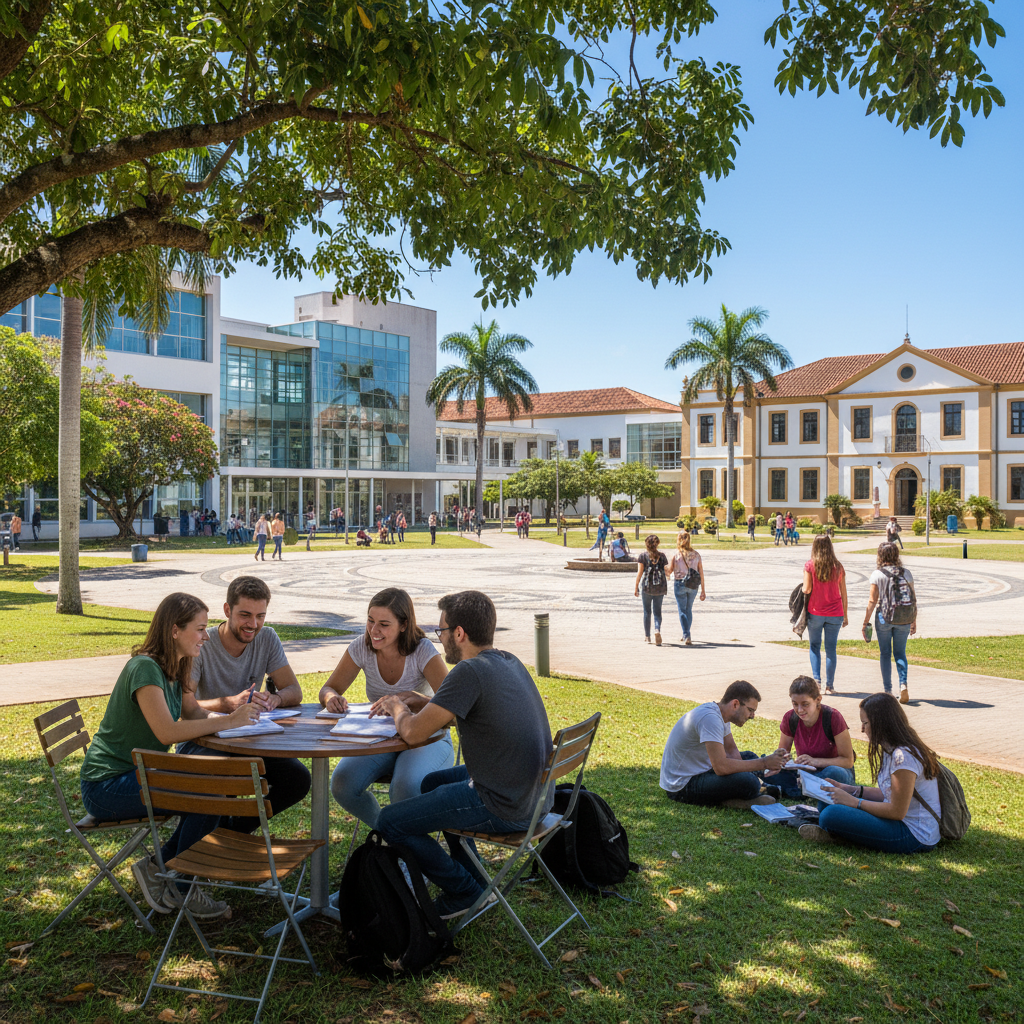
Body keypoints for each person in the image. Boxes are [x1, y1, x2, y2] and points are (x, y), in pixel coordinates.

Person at [79, 592, 260, 921]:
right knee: (213, 795)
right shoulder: (145, 669)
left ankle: (161, 869)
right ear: (174, 630)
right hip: (106, 787)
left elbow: (191, 712)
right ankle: (179, 882)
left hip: (141, 776)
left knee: (219, 785)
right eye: (200, 629)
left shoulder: (177, 665)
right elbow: (166, 731)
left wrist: (235, 723)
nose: (207, 636)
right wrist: (230, 721)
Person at [377, 591, 553, 918]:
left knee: (390, 822)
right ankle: (472, 872)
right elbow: (481, 710)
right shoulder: (507, 660)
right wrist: (425, 700)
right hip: (538, 796)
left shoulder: (468, 672)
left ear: (459, 633)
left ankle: (464, 891)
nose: (440, 639)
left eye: (441, 632)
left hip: (507, 805)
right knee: (431, 783)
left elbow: (414, 733)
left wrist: (398, 707)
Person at [177, 575, 310, 835]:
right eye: (245, 615)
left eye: (261, 616)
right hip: (204, 740)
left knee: (298, 779)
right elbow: (186, 707)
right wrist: (228, 704)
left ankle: (232, 831)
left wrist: (276, 698)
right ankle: (188, 852)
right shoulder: (203, 642)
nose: (254, 624)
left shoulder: (267, 638)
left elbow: (294, 690)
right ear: (227, 610)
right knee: (226, 776)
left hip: (248, 741)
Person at [320, 588, 453, 827]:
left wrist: (416, 698)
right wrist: (331, 697)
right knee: (342, 783)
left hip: (427, 738)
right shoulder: (362, 646)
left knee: (406, 787)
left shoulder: (422, 650)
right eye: (370, 621)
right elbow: (328, 688)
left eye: (383, 624)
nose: (374, 630)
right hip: (382, 738)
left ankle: (406, 853)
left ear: (403, 625)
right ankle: (388, 834)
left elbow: (453, 704)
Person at [800, 693, 941, 853]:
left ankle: (838, 834)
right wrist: (848, 789)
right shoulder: (892, 750)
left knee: (830, 814)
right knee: (828, 800)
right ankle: (840, 832)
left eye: (865, 723)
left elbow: (897, 812)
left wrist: (854, 802)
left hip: (912, 835)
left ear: (881, 724)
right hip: (898, 821)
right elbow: (888, 794)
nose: (862, 729)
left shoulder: (903, 757)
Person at [660, 681, 788, 808]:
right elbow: (721, 767)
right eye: (750, 710)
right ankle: (736, 800)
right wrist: (764, 763)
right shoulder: (710, 718)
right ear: (735, 704)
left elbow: (732, 753)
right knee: (749, 783)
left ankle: (750, 793)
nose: (752, 716)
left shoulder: (721, 715)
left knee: (749, 756)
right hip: (681, 787)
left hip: (703, 770)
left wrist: (755, 768)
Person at [766, 676, 856, 801]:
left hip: (835, 772)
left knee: (832, 773)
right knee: (765, 768)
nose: (799, 710)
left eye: (805, 704)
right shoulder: (789, 718)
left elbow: (847, 761)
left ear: (818, 699)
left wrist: (815, 761)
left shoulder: (833, 717)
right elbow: (782, 754)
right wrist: (782, 760)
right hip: (805, 773)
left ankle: (797, 789)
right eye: (795, 704)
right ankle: (805, 789)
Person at [863, 541, 917, 703]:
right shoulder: (906, 573)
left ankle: (888, 690)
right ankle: (903, 684)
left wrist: (865, 622)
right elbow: (913, 598)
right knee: (900, 653)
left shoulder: (877, 574)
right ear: (896, 555)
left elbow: (873, 601)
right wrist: (913, 620)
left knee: (885, 654)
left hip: (884, 618)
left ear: (880, 556)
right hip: (904, 618)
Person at [803, 535, 848, 696]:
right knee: (831, 649)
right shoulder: (838, 566)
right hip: (836, 613)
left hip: (815, 612)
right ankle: (830, 686)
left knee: (814, 646)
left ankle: (817, 681)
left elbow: (806, 589)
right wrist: (846, 615)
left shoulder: (810, 565)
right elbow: (844, 593)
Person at [668, 530, 705, 646]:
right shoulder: (696, 555)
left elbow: (669, 571)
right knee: (688, 609)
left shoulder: (676, 555)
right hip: (693, 585)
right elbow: (701, 573)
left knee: (682, 610)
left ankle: (686, 634)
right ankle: (686, 633)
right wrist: (703, 590)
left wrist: (662, 568)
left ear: (679, 540)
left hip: (680, 584)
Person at [634, 534, 668, 645]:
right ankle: (657, 629)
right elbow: (667, 571)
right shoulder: (662, 556)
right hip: (660, 587)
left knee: (647, 611)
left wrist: (636, 587)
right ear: (657, 544)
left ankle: (647, 636)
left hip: (646, 587)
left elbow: (640, 573)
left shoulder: (643, 556)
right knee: (657, 612)